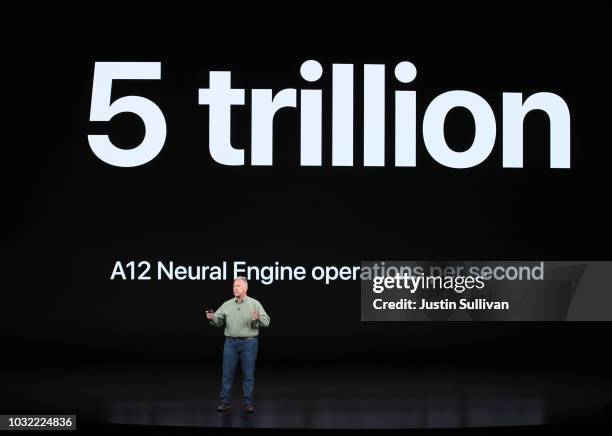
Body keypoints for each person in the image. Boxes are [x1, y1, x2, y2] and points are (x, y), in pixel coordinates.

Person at [205, 277, 270, 413]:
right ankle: (225, 402)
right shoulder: (227, 304)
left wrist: (257, 318)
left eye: (238, 286)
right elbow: (218, 321)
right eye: (234, 286)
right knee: (227, 374)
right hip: (230, 343)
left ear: (246, 288)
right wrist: (212, 319)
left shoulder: (254, 304)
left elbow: (267, 321)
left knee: (248, 375)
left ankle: (247, 403)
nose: (235, 288)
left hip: (249, 343)